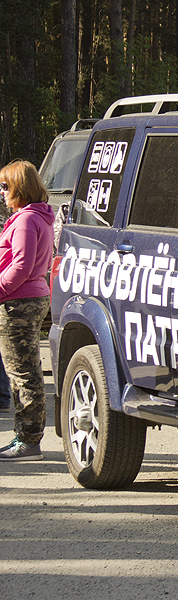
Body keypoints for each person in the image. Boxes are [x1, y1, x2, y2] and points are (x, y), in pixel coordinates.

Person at [0, 160, 56, 461]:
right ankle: (25, 438)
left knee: (22, 374)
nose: (2, 192)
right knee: (26, 371)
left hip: (17, 302)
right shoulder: (37, 217)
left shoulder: (25, 220)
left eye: (5, 186)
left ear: (19, 188)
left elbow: (21, 265)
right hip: (30, 297)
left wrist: (0, 290)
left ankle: (28, 441)